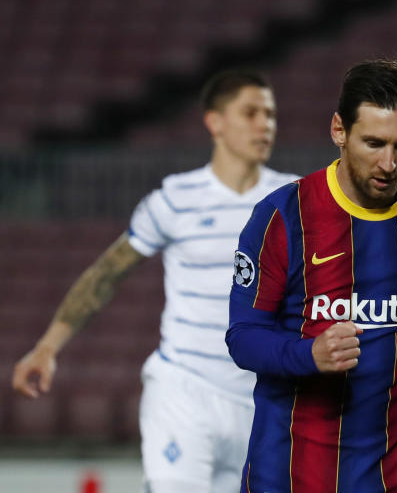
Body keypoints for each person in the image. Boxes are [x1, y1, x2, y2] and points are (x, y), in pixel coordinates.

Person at [12, 70, 299, 493]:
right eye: (251, 113)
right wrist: (48, 346)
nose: (265, 125)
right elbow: (107, 273)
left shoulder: (294, 201)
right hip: (184, 390)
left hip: (261, 400)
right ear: (214, 122)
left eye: (271, 115)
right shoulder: (173, 199)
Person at [226, 59, 397, 493]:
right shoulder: (280, 218)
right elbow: (243, 336)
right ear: (338, 130)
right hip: (292, 471)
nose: (388, 163)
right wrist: (308, 355)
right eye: (373, 143)